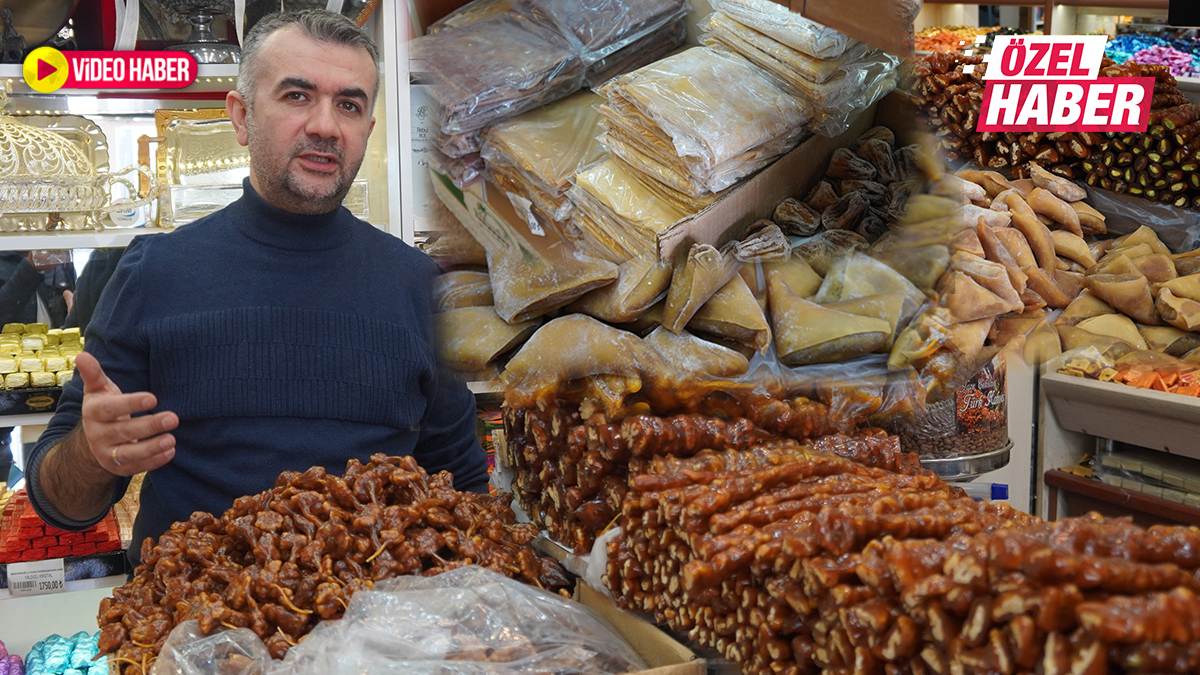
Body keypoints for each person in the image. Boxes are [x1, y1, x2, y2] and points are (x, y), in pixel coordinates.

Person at [26, 10, 489, 566]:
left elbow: (463, 494)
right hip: (191, 629)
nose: (325, 124)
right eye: (296, 96)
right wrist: (91, 454)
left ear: (367, 129)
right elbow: (61, 503)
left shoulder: (417, 287)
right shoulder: (155, 273)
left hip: (374, 638)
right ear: (241, 117)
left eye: (349, 104)